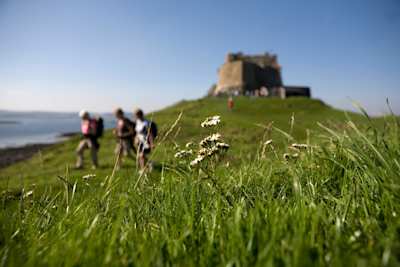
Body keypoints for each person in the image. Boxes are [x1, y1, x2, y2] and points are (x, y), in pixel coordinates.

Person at [133, 108, 155, 172]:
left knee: (141, 155)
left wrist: (152, 143)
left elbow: (150, 133)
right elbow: (137, 132)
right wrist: (135, 139)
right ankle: (149, 163)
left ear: (140, 115)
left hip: (146, 141)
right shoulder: (137, 122)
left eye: (136, 115)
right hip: (139, 142)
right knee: (140, 156)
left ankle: (143, 169)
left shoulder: (146, 123)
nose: (135, 116)